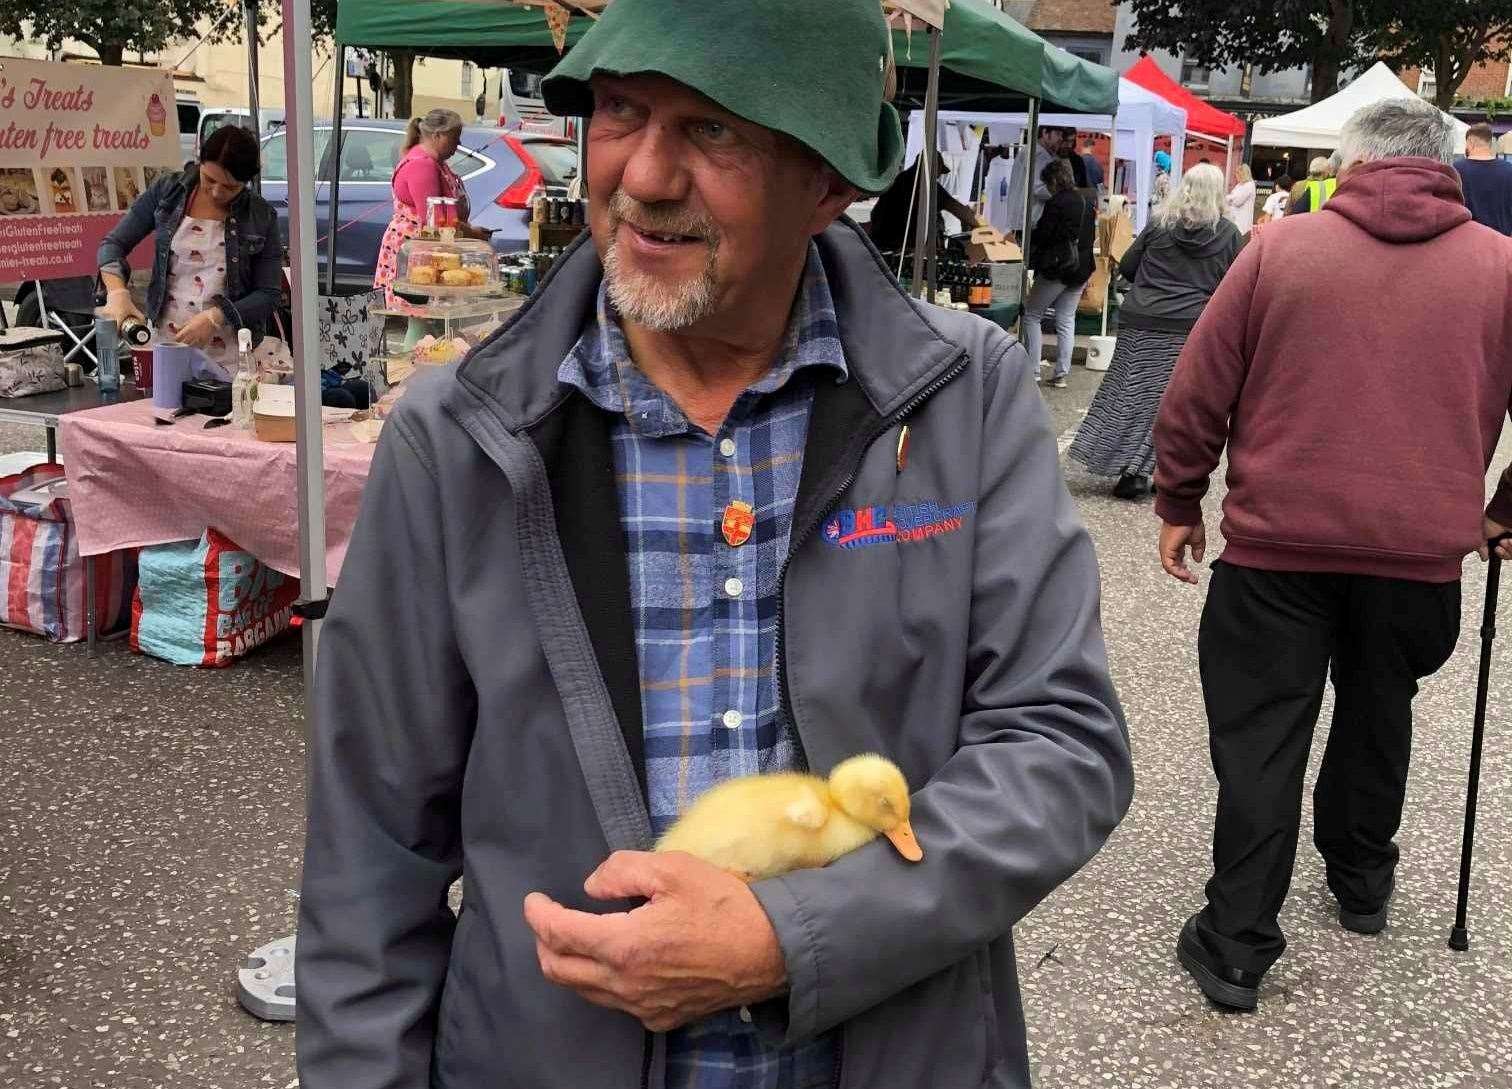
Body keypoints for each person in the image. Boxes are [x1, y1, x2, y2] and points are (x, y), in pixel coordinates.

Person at [295, 0, 1133, 1086]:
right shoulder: (459, 436)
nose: (643, 175)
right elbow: (372, 849)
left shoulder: (963, 396)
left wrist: (792, 937)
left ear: (830, 182)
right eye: (620, 109)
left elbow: (1060, 743)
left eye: (714, 129)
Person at [1153, 97, 1512, 1013]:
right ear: (1446, 166)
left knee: (1263, 735)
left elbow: (1197, 385)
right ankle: (1361, 882)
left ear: (1348, 165)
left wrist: (1180, 497)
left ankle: (1236, 942)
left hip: (1278, 550)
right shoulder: (1501, 267)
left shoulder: (1280, 248)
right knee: (1380, 710)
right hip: (1418, 556)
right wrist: (1506, 510)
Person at [1067, 163, 1241, 499]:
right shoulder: (1228, 234)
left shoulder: (1160, 225)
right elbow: (1231, 286)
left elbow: (1129, 267)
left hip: (1140, 320)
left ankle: (1121, 464)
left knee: (1127, 394)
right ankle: (1145, 471)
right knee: (1167, 401)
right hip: (1187, 326)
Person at [97, 126, 281, 380]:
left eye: (229, 187)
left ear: (246, 182)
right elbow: (113, 245)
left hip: (230, 355)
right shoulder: (167, 192)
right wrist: (117, 293)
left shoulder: (261, 216)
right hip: (167, 343)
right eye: (209, 180)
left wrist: (217, 317)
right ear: (199, 161)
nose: (217, 192)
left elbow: (269, 294)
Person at [374, 108, 495, 309]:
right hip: (418, 252)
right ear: (438, 135)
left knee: (425, 320)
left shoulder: (435, 163)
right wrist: (473, 234)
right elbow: (437, 223)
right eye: (455, 138)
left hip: (426, 250)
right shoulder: (423, 165)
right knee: (420, 316)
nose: (459, 144)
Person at [1024, 159, 1095, 389]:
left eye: (1048, 183)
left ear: (1054, 180)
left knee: (1032, 314)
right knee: (1066, 318)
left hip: (1059, 267)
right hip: (1082, 268)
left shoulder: (1057, 203)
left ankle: (1033, 370)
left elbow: (1045, 236)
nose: (1048, 188)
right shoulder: (1086, 200)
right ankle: (1061, 373)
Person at [867, 148, 985, 253]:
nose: (938, 177)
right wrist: (982, 226)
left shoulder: (900, 180)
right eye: (939, 172)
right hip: (907, 249)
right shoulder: (927, 186)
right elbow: (962, 212)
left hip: (880, 244)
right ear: (933, 168)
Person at [1454, 121, 1512, 235]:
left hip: (1467, 241)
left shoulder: (1456, 170)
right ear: (1490, 143)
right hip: (1501, 243)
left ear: (1470, 142)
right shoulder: (1509, 170)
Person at [1004, 125, 1064, 232]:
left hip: (1020, 218)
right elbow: (1039, 188)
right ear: (1045, 133)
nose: (1061, 138)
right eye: (1058, 134)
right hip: (1029, 220)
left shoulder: (1028, 150)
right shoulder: (1040, 155)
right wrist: (1061, 191)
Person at [1224, 163, 1257, 234]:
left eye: (1237, 174)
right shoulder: (1239, 185)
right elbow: (1229, 198)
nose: (1236, 176)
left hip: (1242, 221)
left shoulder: (1249, 185)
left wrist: (1230, 199)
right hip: (1235, 219)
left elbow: (1237, 202)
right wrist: (1231, 199)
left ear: (1243, 174)